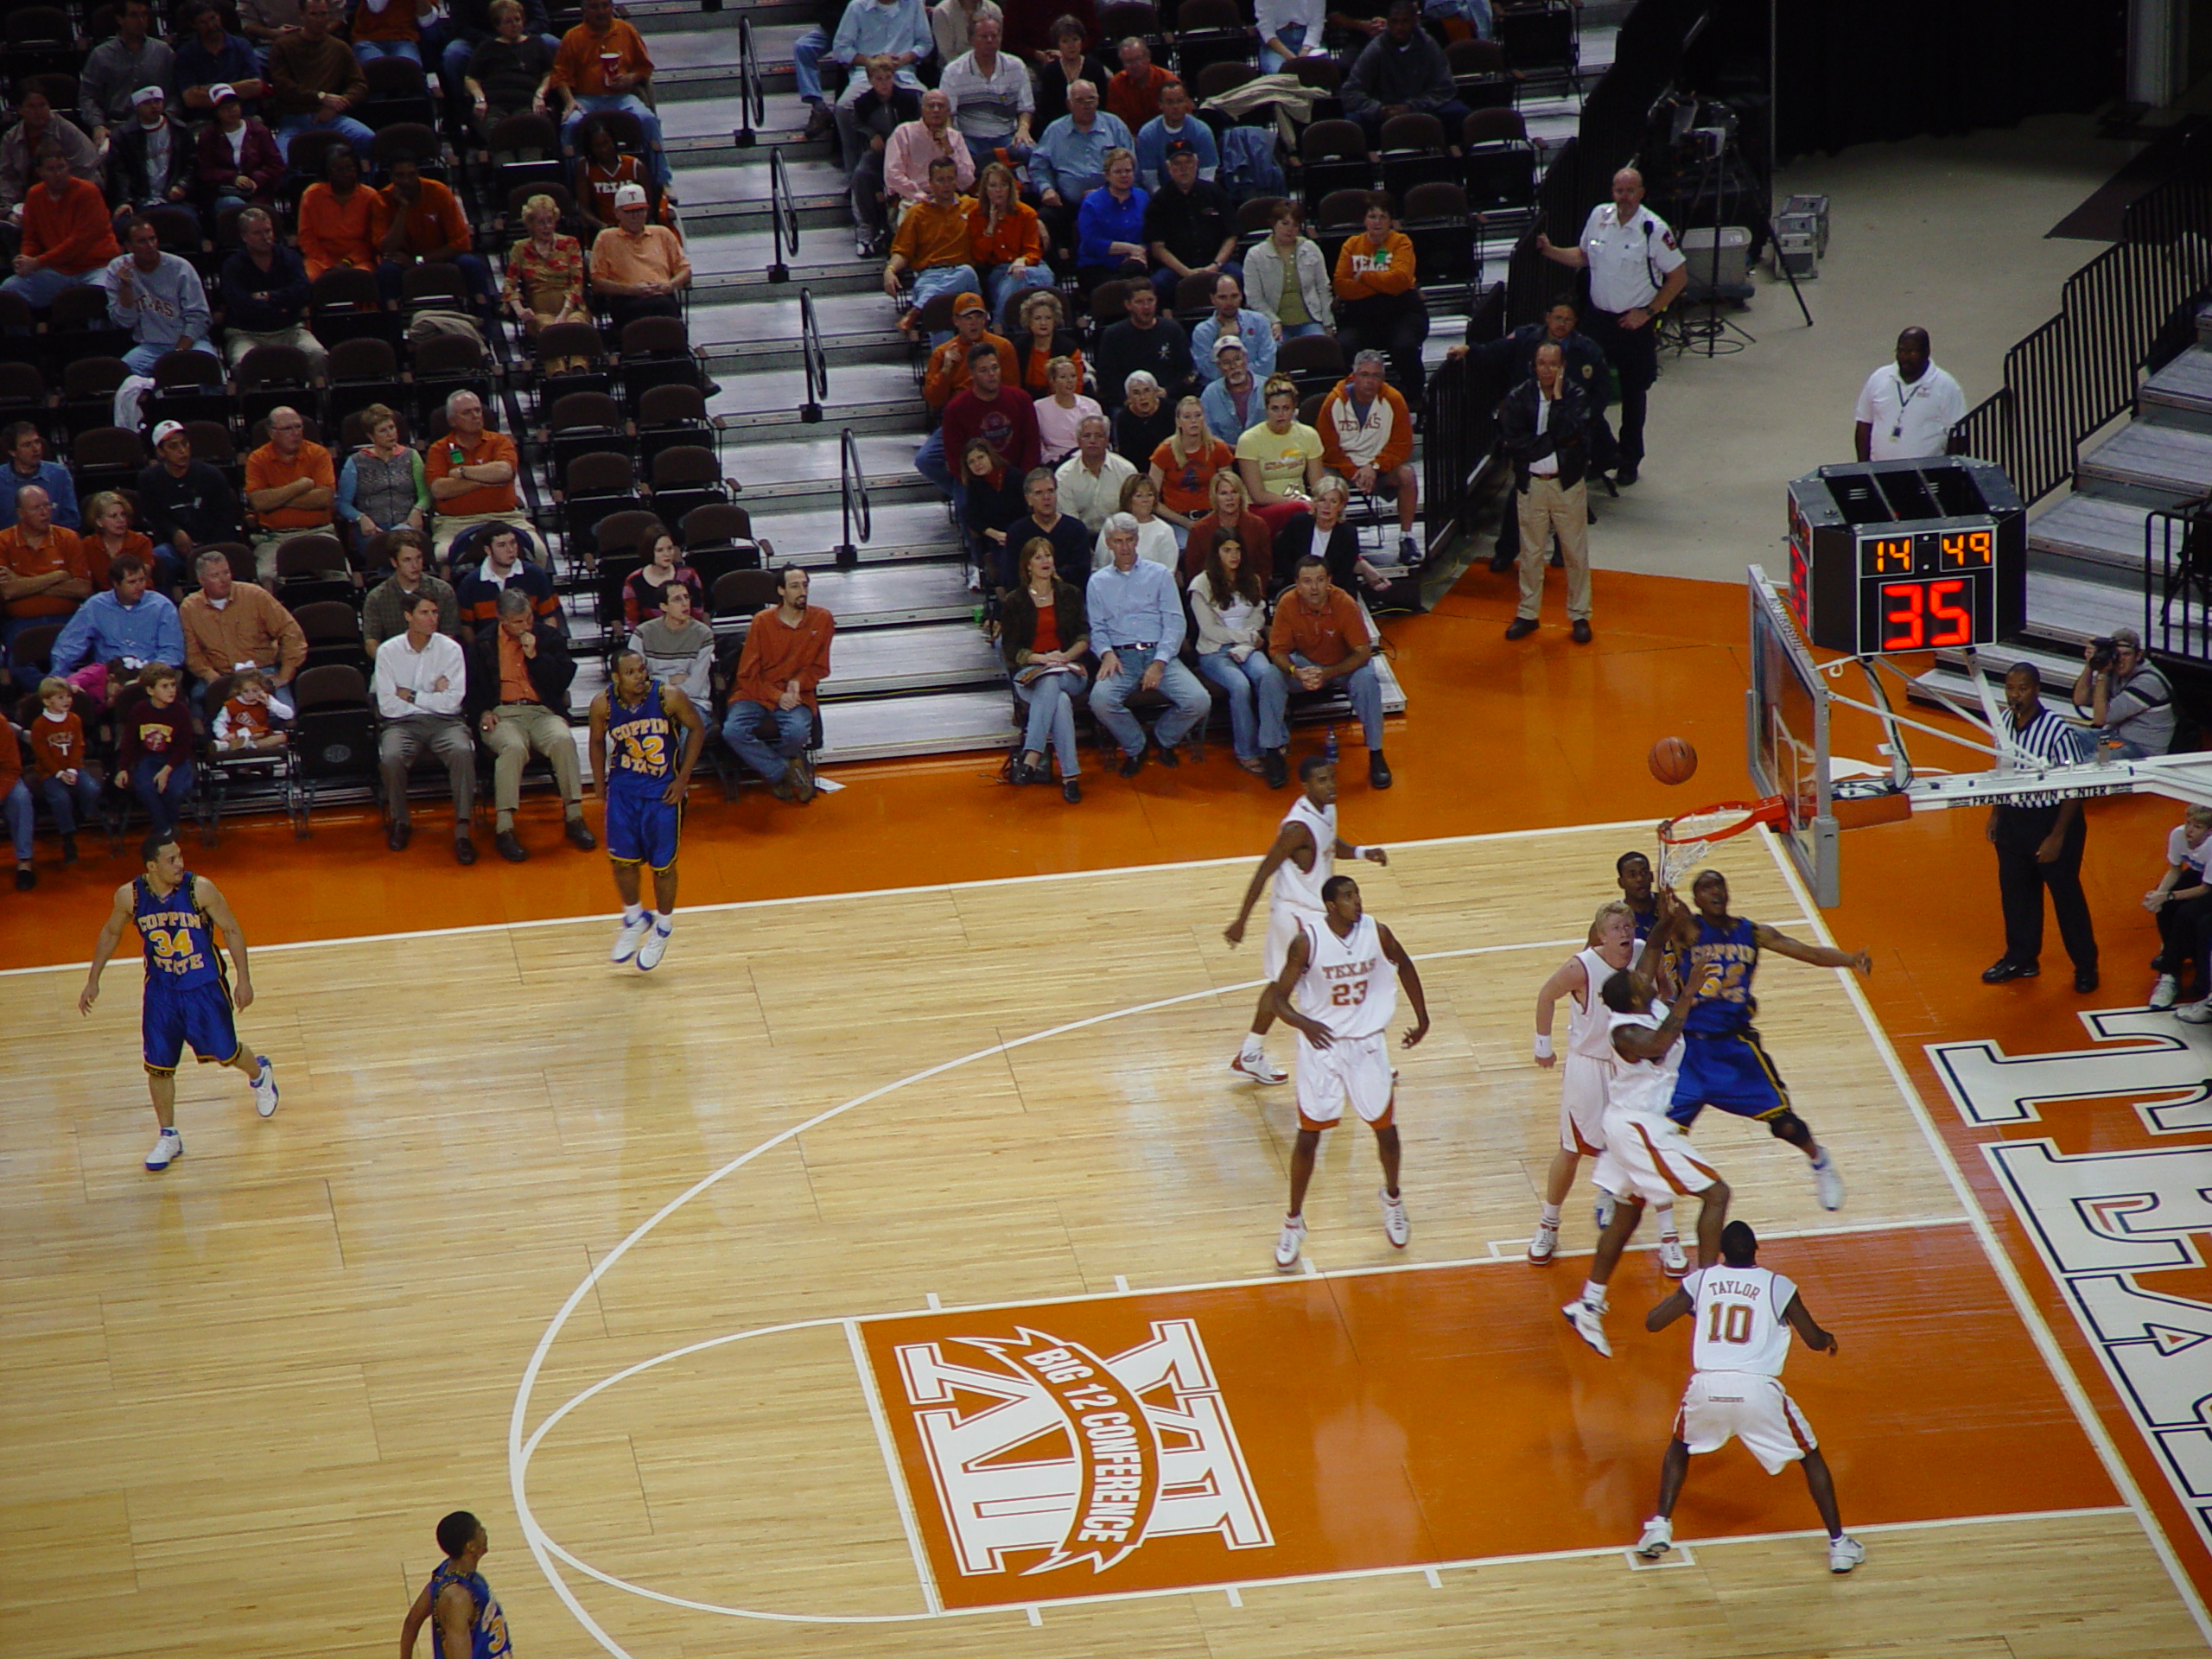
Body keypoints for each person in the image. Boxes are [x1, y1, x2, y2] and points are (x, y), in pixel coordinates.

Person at [1636, 1222, 1866, 1575]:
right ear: (1757, 1248)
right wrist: (1829, 1338)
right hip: (1758, 1389)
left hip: (1708, 1386)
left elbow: (1653, 1322)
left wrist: (1695, 1303)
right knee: (1810, 1456)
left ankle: (1659, 1526)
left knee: (1679, 1447)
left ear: (1723, 1252)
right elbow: (1813, 1339)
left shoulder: (1703, 1280)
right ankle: (1839, 1545)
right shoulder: (1778, 1285)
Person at [1658, 867, 1867, 1208]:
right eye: (1706, 888)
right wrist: (1665, 877)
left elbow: (1808, 952)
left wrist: (1850, 960)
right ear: (1696, 899)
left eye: (1719, 885)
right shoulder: (1690, 931)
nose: (1715, 892)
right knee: (1652, 1132)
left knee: (1785, 1125)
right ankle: (1614, 1190)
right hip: (1689, 1051)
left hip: (1734, 1048)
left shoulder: (1752, 933)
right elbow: (1668, 905)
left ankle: (1821, 1162)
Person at [79, 828, 279, 1172]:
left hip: (204, 986)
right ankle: (168, 1135)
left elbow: (231, 929)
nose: (180, 864)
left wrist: (244, 979)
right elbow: (111, 932)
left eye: (181, 856)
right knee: (158, 1066)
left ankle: (259, 1073)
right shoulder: (130, 896)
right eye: (171, 859)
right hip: (162, 992)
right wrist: (93, 980)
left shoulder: (199, 888)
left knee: (225, 1052)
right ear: (151, 866)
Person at [1560, 957, 1728, 1356]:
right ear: (1635, 996)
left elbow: (1651, 951)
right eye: (1640, 978)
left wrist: (1666, 910)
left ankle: (1588, 1302)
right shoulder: (1627, 1030)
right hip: (1638, 1127)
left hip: (1627, 1123)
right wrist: (1688, 993)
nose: (1646, 975)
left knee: (1628, 1214)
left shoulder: (1646, 1004)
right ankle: (1703, 1292)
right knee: (1717, 1194)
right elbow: (1659, 1044)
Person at [1265, 874, 1429, 1268]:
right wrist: (1304, 1024)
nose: (1357, 901)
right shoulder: (1308, 941)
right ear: (1330, 905)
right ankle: (1293, 1222)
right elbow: (1276, 999)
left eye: (1358, 893)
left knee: (1385, 1129)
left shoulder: (1378, 931)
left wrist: (1423, 1018)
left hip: (1368, 1044)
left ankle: (1392, 1197)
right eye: (1348, 896)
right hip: (1322, 1047)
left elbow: (1404, 965)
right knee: (1308, 1139)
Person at [1529, 899, 1681, 1269]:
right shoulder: (1580, 967)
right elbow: (1546, 994)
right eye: (1617, 928)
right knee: (1572, 1148)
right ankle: (1549, 1222)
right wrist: (1543, 1045)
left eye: (1629, 926)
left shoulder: (1645, 953)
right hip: (1589, 1063)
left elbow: (1665, 988)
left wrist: (1662, 1006)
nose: (1626, 933)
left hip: (1631, 1065)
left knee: (1650, 1148)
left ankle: (1669, 1237)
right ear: (1601, 935)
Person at [1224, 753, 1378, 1067]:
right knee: (1327, 982)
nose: (1331, 785)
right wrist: (1241, 920)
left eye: (1332, 777)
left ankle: (1251, 1053)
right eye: (1322, 780)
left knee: (1289, 984)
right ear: (1305, 785)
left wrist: (1363, 852)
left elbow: (1329, 845)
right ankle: (1354, 1057)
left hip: (1315, 912)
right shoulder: (1296, 828)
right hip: (1295, 915)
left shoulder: (1328, 808)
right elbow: (1264, 870)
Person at [1535, 167, 1686, 486]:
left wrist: (1647, 312)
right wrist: (1550, 251)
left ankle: (1630, 459)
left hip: (1634, 325)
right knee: (1581, 391)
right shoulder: (1598, 217)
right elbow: (1583, 257)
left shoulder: (1653, 230)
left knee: (1634, 393)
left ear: (1641, 193)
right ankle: (1602, 454)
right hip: (1598, 321)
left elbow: (1678, 277)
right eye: (1619, 190)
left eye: (1630, 191)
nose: (1624, 197)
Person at [1982, 662, 2099, 991]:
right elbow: (2001, 771)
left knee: (2066, 895)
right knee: (2016, 892)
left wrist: (2057, 836)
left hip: (2052, 819)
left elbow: (2074, 787)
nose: (2014, 695)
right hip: (2014, 818)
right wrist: (1996, 814)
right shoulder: (2003, 722)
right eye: (2009, 688)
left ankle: (2086, 965)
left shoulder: (2057, 730)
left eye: (2021, 688)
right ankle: (2021, 957)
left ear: (2036, 690)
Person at [590, 647, 702, 968]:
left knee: (662, 867)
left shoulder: (669, 696)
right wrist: (599, 784)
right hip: (624, 793)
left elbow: (697, 728)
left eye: (642, 669)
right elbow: (596, 741)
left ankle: (664, 928)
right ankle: (635, 918)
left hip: (661, 793)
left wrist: (682, 781)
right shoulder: (603, 704)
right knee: (621, 863)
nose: (640, 676)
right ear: (616, 677)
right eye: (632, 672)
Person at [466, 587, 592, 861]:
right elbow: (471, 689)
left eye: (528, 619)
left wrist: (536, 657)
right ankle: (505, 829)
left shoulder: (547, 637)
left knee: (563, 740)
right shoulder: (483, 644)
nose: (526, 626)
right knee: (512, 747)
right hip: (503, 713)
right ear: (502, 619)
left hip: (542, 712)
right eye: (518, 622)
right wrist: (482, 712)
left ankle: (574, 818)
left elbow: (561, 681)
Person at [1085, 512, 1210, 773]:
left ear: (1137, 540)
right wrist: (1106, 654)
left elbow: (1175, 623)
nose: (1125, 547)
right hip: (1120, 657)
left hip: (1158, 653)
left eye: (1130, 540)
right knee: (1100, 700)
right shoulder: (1097, 582)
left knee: (1199, 700)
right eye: (1118, 541)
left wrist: (1160, 662)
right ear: (1108, 543)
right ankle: (1136, 746)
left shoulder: (1160, 575)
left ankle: (1164, 738)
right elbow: (1096, 628)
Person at [1498, 340, 1594, 643]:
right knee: (1530, 553)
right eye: (1543, 363)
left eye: (1554, 364)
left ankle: (1580, 615)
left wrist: (1558, 400)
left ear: (1562, 367)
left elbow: (1572, 431)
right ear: (1534, 365)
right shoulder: (1518, 397)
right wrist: (1547, 443)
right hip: (1532, 485)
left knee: (1575, 553)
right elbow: (1513, 441)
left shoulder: (1575, 396)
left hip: (1566, 484)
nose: (1548, 369)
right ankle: (1528, 613)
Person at [1270, 553, 1391, 787]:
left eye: (1320, 580)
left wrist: (1328, 673)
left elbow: (1362, 652)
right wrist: (1295, 671)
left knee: (1368, 680)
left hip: (1342, 666)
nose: (1314, 588)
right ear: (1297, 584)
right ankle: (1273, 750)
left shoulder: (1345, 603)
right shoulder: (1287, 603)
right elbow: (1277, 651)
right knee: (1269, 677)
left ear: (1329, 581)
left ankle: (1376, 753)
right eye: (1307, 581)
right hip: (1305, 664)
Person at [373, 590, 476, 861]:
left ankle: (463, 830)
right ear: (408, 616)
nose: (433, 619)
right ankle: (401, 821)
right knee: (391, 757)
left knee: (462, 752)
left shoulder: (451, 650)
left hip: (446, 723)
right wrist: (433, 695)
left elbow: (453, 702)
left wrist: (412, 694)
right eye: (425, 613)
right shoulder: (387, 652)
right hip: (401, 725)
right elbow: (388, 706)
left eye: (435, 613)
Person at [724, 567, 834, 804]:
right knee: (733, 731)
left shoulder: (822, 619)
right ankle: (784, 771)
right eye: (795, 586)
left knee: (796, 732)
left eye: (805, 585)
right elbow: (746, 673)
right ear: (781, 591)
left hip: (796, 695)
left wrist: (798, 682)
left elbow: (820, 667)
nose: (802, 591)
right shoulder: (762, 622)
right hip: (755, 692)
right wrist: (776, 695)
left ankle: (780, 771)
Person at [1190, 533, 1291, 783]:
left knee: (1267, 675)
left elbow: (1258, 616)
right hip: (1214, 650)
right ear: (1216, 553)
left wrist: (1248, 640)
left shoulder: (1252, 580)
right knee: (1239, 684)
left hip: (1247, 647)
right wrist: (1245, 636)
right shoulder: (1200, 585)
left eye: (1237, 550)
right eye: (1227, 550)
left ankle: (1274, 739)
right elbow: (1209, 631)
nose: (1233, 556)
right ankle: (1246, 752)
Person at [999, 535, 1089, 800]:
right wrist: (1039, 659)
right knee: (1058, 700)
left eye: (1048, 555)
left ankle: (1032, 755)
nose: (1045, 561)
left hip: (1068, 669)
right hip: (1031, 673)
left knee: (1054, 683)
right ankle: (1070, 777)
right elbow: (1011, 649)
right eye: (1038, 557)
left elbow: (1084, 636)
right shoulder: (1015, 601)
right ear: (1027, 565)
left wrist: (1064, 657)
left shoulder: (1070, 594)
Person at [549, 0, 670, 188]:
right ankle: (574, 186)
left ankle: (661, 182)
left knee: (647, 119)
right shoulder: (572, 37)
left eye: (605, 6)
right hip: (585, 99)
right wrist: (570, 101)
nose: (601, 11)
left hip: (622, 98)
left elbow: (644, 67)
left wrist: (630, 79)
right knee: (570, 124)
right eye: (595, 7)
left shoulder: (626, 30)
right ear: (584, 10)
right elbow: (560, 76)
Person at [1319, 350, 1421, 563]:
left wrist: (1373, 467)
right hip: (1342, 467)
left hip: (1379, 468)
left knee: (1407, 475)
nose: (1370, 381)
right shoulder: (1333, 401)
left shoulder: (1394, 400)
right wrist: (1355, 472)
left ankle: (1406, 539)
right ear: (1353, 376)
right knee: (1322, 479)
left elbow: (1402, 446)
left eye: (1376, 376)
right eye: (1364, 375)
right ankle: (1328, 541)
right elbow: (1328, 448)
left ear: (1382, 379)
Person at [427, 391, 543, 565]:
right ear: (452, 421)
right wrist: (487, 479)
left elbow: (504, 472)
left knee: (538, 550)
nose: (475, 416)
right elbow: (439, 489)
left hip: (505, 518)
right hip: (455, 523)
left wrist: (462, 473)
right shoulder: (439, 449)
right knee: (442, 555)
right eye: (467, 413)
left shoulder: (500, 441)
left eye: (478, 411)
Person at [1332, 192, 1427, 393]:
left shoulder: (1402, 242)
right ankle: (1354, 393)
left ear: (1391, 221)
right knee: (1345, 344)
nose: (1377, 222)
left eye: (1383, 217)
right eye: (1372, 217)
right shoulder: (1351, 245)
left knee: (1404, 346)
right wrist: (1384, 283)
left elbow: (1400, 282)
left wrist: (1364, 276)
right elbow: (1341, 285)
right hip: (1361, 319)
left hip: (1403, 314)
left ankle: (1415, 393)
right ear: (1364, 220)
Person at [3, 145, 122, 308]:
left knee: (99, 297)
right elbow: (31, 238)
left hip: (96, 266)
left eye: (61, 167)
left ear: (69, 167)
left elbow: (79, 242)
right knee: (10, 290)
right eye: (51, 169)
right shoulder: (34, 195)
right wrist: (27, 260)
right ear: (40, 172)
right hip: (57, 269)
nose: (58, 174)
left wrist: (37, 262)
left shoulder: (88, 192)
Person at [934, 346, 1042, 520]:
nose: (992, 374)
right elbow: (955, 459)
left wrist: (1020, 481)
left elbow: (1032, 445)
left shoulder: (1021, 399)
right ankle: (976, 547)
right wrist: (982, 484)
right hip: (978, 481)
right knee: (965, 506)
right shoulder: (956, 409)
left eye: (995, 368)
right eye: (984, 370)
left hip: (1017, 478)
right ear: (972, 374)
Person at [178, 546, 306, 693]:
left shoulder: (255, 595)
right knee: (198, 709)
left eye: (226, 572)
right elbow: (192, 653)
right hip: (219, 674)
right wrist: (212, 677)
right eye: (215, 575)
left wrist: (285, 674)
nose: (224, 579)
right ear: (201, 580)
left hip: (261, 672)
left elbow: (291, 632)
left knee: (284, 713)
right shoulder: (189, 608)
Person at [377, 154, 494, 311]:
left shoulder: (439, 192)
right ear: (391, 177)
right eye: (400, 176)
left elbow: (461, 243)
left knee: (472, 264)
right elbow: (387, 248)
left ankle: (484, 323)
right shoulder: (382, 198)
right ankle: (393, 328)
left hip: (442, 255)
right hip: (403, 259)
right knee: (386, 271)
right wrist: (402, 209)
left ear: (418, 173)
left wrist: (420, 260)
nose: (406, 181)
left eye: (411, 174)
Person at [1028, 79, 1131, 256]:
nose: (1087, 105)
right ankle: (1054, 275)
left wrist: (1105, 192)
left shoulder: (1114, 126)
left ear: (1098, 100)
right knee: (1043, 218)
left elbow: (1131, 165)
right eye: (1080, 100)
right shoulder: (1055, 131)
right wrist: (1046, 189)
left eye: (1091, 99)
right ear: (1069, 104)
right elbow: (1039, 166)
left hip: (1112, 199)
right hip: (1067, 204)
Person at [1341, 0, 1466, 143]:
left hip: (1421, 107)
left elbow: (1446, 88)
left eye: (1405, 21)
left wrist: (1412, 107)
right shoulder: (1376, 49)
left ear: (1415, 22)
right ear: (1387, 23)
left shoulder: (1428, 45)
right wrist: (1379, 110)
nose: (1399, 27)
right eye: (1394, 22)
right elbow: (1350, 92)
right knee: (1353, 121)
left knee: (1459, 112)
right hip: (1384, 111)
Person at [217, 207, 323, 371]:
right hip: (246, 333)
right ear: (244, 237)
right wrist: (282, 306)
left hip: (289, 330)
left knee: (317, 354)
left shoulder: (290, 258)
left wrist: (269, 297)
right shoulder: (232, 266)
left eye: (268, 231)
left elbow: (302, 293)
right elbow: (240, 306)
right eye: (257, 233)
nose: (265, 238)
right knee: (241, 364)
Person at [398, 1510, 513, 1659]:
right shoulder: (458, 1599)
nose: (484, 1531)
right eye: (479, 1529)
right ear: (470, 1546)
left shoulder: (448, 1571)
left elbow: (412, 1621)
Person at [266, 0, 375, 156]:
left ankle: (362, 179)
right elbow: (283, 87)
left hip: (332, 117)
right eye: (314, 14)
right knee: (281, 158)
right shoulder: (283, 46)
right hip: (294, 119)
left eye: (324, 14)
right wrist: (320, 97)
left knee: (367, 138)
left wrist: (339, 103)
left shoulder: (340, 47)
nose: (319, 20)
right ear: (302, 15)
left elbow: (359, 84)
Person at [883, 156, 980, 329]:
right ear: (930, 183)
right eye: (940, 180)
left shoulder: (972, 206)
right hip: (929, 275)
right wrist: (890, 271)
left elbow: (1008, 207)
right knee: (938, 318)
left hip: (962, 274)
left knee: (967, 272)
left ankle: (916, 310)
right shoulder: (917, 213)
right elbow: (902, 251)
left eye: (950, 179)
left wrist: (1037, 221)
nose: (946, 185)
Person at [138, 423, 241, 583]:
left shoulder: (211, 476)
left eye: (185, 443)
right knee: (159, 557)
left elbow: (226, 518)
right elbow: (153, 515)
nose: (182, 450)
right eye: (174, 446)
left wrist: (204, 551)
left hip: (213, 545)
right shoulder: (149, 480)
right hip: (175, 549)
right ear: (161, 452)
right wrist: (175, 532)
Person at [1, 485, 93, 662]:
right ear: (21, 513)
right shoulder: (3, 542)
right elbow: (7, 591)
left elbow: (83, 589)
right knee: (18, 665)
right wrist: (57, 576)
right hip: (21, 624)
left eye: (47, 505)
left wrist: (22, 582)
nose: (45, 512)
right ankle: (47, 688)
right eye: (36, 508)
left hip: (67, 619)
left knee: (85, 659)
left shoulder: (68, 538)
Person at [53, 553, 186, 674]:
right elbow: (69, 645)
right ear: (116, 583)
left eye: (142, 580)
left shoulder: (162, 606)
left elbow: (172, 651)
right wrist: (59, 676)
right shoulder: (95, 606)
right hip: (108, 676)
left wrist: (152, 673)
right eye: (132, 582)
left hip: (150, 675)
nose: (140, 587)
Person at [243, 406, 337, 577]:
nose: (296, 433)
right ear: (272, 433)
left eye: (298, 427)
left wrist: (275, 498)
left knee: (339, 575)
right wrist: (300, 486)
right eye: (288, 429)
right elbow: (258, 503)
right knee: (266, 576)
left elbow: (324, 498)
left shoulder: (318, 454)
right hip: (275, 538)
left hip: (319, 532)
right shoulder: (257, 459)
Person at [842, 55, 920, 255]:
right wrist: (872, 135)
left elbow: (917, 126)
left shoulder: (908, 99)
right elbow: (857, 125)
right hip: (879, 153)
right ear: (870, 80)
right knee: (861, 175)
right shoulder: (862, 103)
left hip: (906, 154)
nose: (884, 84)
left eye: (888, 78)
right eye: (879, 79)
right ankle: (866, 229)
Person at [1142, 140, 1237, 304]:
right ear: (1168, 168)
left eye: (1188, 162)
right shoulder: (1159, 201)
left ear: (1197, 164)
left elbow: (1232, 236)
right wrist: (1186, 272)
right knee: (1158, 284)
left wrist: (1215, 265)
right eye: (1177, 164)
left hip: (1216, 262)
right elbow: (1157, 248)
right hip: (1176, 268)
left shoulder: (1215, 192)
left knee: (1239, 275)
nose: (1183, 168)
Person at [1853, 326, 1966, 463]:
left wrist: (1947, 474)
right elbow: (1864, 423)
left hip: (1925, 476)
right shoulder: (1879, 378)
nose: (1905, 358)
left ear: (1927, 352)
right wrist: (1863, 467)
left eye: (1912, 352)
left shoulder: (1946, 386)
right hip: (1879, 472)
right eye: (1901, 351)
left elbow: (1958, 436)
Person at [588, 182, 690, 331]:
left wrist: (671, 285)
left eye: (640, 210)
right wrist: (631, 290)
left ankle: (672, 352)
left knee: (664, 307)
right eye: (629, 212)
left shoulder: (663, 234)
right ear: (617, 213)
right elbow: (597, 282)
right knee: (646, 309)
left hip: (662, 295)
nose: (636, 216)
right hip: (625, 298)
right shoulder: (606, 238)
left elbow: (685, 270)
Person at [940, 4, 1034, 161]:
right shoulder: (953, 71)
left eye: (994, 36)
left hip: (1006, 135)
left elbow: (1026, 108)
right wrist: (953, 139)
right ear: (971, 39)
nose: (990, 41)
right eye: (984, 37)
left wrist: (1023, 129)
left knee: (1028, 151)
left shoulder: (1016, 66)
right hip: (970, 138)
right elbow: (948, 115)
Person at [1236, 375, 1326, 535]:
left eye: (1286, 408)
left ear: (1294, 409)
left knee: (1327, 510)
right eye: (1275, 409)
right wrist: (1294, 502)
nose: (1281, 414)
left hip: (1301, 506)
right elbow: (1258, 495)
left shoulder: (1309, 435)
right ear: (1266, 409)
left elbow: (1318, 486)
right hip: (1261, 508)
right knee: (1303, 511)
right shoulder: (1249, 440)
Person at [116, 661, 198, 835]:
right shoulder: (139, 710)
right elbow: (129, 741)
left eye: (173, 685)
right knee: (146, 789)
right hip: (149, 759)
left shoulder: (181, 710)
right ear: (150, 690)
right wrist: (123, 768)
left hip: (175, 760)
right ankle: (165, 829)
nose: (171, 690)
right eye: (165, 686)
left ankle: (166, 827)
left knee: (175, 790)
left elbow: (184, 746)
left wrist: (167, 770)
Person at [79, 0, 177, 145]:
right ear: (120, 20)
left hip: (157, 124)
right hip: (117, 126)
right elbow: (88, 97)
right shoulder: (101, 55)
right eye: (134, 16)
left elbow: (175, 93)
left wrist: (168, 118)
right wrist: (97, 125)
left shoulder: (163, 52)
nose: (141, 21)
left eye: (144, 15)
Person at [1275, 474, 1391, 594]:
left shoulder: (1348, 533)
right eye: (1322, 500)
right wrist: (1304, 583)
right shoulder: (1298, 523)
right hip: (1297, 588)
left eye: (1333, 501)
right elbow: (1283, 558)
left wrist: (1322, 589)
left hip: (1334, 591)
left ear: (1341, 506)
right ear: (1314, 502)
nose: (1327, 506)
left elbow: (1344, 572)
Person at [2146, 806, 2212, 1015]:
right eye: (2188, 823)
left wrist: (2170, 896)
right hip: (2201, 875)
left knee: (2188, 914)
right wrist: (2160, 896)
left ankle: (2172, 967)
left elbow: (2206, 889)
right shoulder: (2177, 834)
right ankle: (2171, 969)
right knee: (2164, 904)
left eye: (2197, 826)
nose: (2189, 830)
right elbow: (2175, 868)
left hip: (2209, 884)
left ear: (2209, 831)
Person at [30, 677, 103, 863]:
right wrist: (60, 774)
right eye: (61, 698)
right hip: (50, 772)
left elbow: (78, 746)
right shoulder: (39, 725)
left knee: (92, 789)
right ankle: (68, 839)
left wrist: (72, 769)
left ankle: (77, 820)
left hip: (74, 767)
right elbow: (42, 754)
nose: (67, 701)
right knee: (60, 798)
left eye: (68, 697)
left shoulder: (74, 720)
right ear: (48, 701)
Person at [2071, 626, 2173, 760]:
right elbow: (2080, 699)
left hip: (2141, 750)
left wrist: (2102, 674)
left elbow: (2101, 719)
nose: (2121, 660)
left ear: (2138, 655)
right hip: (2114, 739)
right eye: (2117, 654)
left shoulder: (2148, 682)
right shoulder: (2114, 671)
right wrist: (2091, 664)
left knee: (2094, 761)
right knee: (2066, 734)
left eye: (2126, 654)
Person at [336, 404, 429, 544]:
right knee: (384, 549)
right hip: (373, 531)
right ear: (371, 437)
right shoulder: (356, 461)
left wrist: (417, 511)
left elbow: (426, 495)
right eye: (382, 431)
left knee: (405, 545)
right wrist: (361, 518)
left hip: (407, 526)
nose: (390, 434)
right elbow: (343, 503)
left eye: (392, 428)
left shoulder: (411, 456)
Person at [0, 93, 99, 226]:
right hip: (27, 203)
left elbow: (87, 169)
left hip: (68, 200)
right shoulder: (11, 138)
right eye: (32, 107)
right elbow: (6, 178)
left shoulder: (68, 132)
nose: (38, 112)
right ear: (19, 109)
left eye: (42, 105)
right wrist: (9, 212)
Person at [968, 160, 1051, 315]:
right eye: (993, 186)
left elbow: (1033, 250)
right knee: (1018, 283)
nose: (999, 191)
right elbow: (980, 256)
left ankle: (999, 325)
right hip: (1000, 271)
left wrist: (1022, 260)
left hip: (1032, 267)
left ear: (1010, 188)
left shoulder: (1027, 214)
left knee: (1027, 279)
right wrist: (991, 227)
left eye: (1003, 185)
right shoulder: (976, 216)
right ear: (985, 189)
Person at [1243, 200, 1332, 344]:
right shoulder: (1255, 255)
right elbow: (1254, 298)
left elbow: (1323, 288)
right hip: (1274, 323)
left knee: (1321, 347)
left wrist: (1328, 323)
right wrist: (1273, 321)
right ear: (1273, 224)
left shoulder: (1311, 249)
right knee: (1274, 349)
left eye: (1295, 225)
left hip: (1310, 321)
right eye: (1285, 223)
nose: (1289, 229)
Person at [296, 143, 386, 278]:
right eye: (338, 170)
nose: (345, 174)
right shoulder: (312, 194)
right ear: (328, 171)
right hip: (319, 260)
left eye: (350, 168)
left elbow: (371, 242)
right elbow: (306, 238)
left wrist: (347, 262)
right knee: (308, 279)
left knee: (363, 280)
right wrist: (328, 265)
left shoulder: (370, 196)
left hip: (358, 260)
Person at [1095, 282, 1192, 408]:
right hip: (1128, 405)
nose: (1146, 307)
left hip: (1167, 401)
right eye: (1139, 302)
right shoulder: (1113, 335)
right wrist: (1125, 399)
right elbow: (1105, 377)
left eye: (1150, 300)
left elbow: (1187, 371)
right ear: (1128, 305)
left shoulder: (1173, 330)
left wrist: (1168, 391)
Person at [194, 86, 286, 216]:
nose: (231, 111)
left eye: (234, 106)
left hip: (258, 193)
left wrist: (255, 180)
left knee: (259, 209)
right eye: (225, 108)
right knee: (234, 205)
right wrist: (232, 178)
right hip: (224, 194)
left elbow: (276, 165)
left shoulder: (260, 131)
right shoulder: (207, 137)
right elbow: (205, 171)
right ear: (216, 112)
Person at [106, 87, 194, 226]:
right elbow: (119, 174)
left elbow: (191, 165)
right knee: (123, 225)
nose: (154, 106)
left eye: (158, 101)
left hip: (174, 199)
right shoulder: (122, 137)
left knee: (188, 222)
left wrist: (182, 186)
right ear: (137, 107)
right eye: (148, 103)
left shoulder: (180, 130)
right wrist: (125, 201)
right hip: (138, 201)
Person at [361, 530, 458, 653]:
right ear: (394, 562)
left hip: (434, 662)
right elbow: (371, 642)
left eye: (418, 558)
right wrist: (390, 663)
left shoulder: (443, 591)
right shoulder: (377, 598)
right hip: (394, 663)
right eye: (407, 560)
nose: (415, 565)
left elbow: (448, 637)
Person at [461, 0, 556, 128]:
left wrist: (540, 95)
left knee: (529, 130)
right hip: (495, 104)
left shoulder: (536, 43)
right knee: (496, 131)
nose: (514, 25)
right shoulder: (486, 47)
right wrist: (480, 99)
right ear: (498, 26)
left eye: (517, 19)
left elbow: (548, 73)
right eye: (508, 22)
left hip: (527, 102)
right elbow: (471, 78)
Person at [1152, 394, 1235, 537]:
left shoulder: (1218, 448)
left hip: (1214, 517)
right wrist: (1185, 522)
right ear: (1178, 422)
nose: (1194, 421)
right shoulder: (1164, 452)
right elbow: (1152, 499)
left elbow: (1230, 489)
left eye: (1198, 415)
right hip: (1177, 520)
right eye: (1187, 417)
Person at [454, 524, 557, 637]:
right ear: (488, 550)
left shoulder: (536, 575)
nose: (510, 550)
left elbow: (550, 617)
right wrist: (479, 651)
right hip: (489, 650)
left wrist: (546, 646)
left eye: (513, 543)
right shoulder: (470, 583)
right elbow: (466, 626)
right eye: (501, 545)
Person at [882, 88, 975, 208]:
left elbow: (966, 181)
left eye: (941, 106)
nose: (936, 110)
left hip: (950, 199)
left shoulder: (955, 137)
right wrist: (921, 197)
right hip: (913, 199)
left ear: (948, 112)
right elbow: (892, 175)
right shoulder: (903, 132)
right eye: (931, 106)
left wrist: (948, 149)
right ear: (922, 109)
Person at [1182, 467, 1274, 586]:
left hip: (1249, 591)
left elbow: (1264, 568)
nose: (1229, 498)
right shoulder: (1200, 530)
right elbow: (1193, 572)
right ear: (1215, 497)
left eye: (1234, 492)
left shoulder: (1258, 526)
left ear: (1241, 495)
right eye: (1223, 493)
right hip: (1211, 593)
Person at [1075, 146, 1149, 292]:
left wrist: (1140, 253)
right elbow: (1091, 242)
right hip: (1097, 264)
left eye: (1128, 171)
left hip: (1135, 264)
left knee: (1136, 274)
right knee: (1118, 288)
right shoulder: (1092, 203)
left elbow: (1151, 233)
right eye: (1118, 172)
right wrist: (1130, 249)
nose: (1124, 175)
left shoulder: (1143, 197)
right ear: (1107, 175)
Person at [628, 578, 714, 703]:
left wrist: (657, 684)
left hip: (691, 703)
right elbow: (634, 681)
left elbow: (696, 687)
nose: (685, 603)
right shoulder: (643, 633)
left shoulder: (703, 634)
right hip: (651, 702)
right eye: (677, 599)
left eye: (686, 597)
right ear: (664, 606)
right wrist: (669, 679)